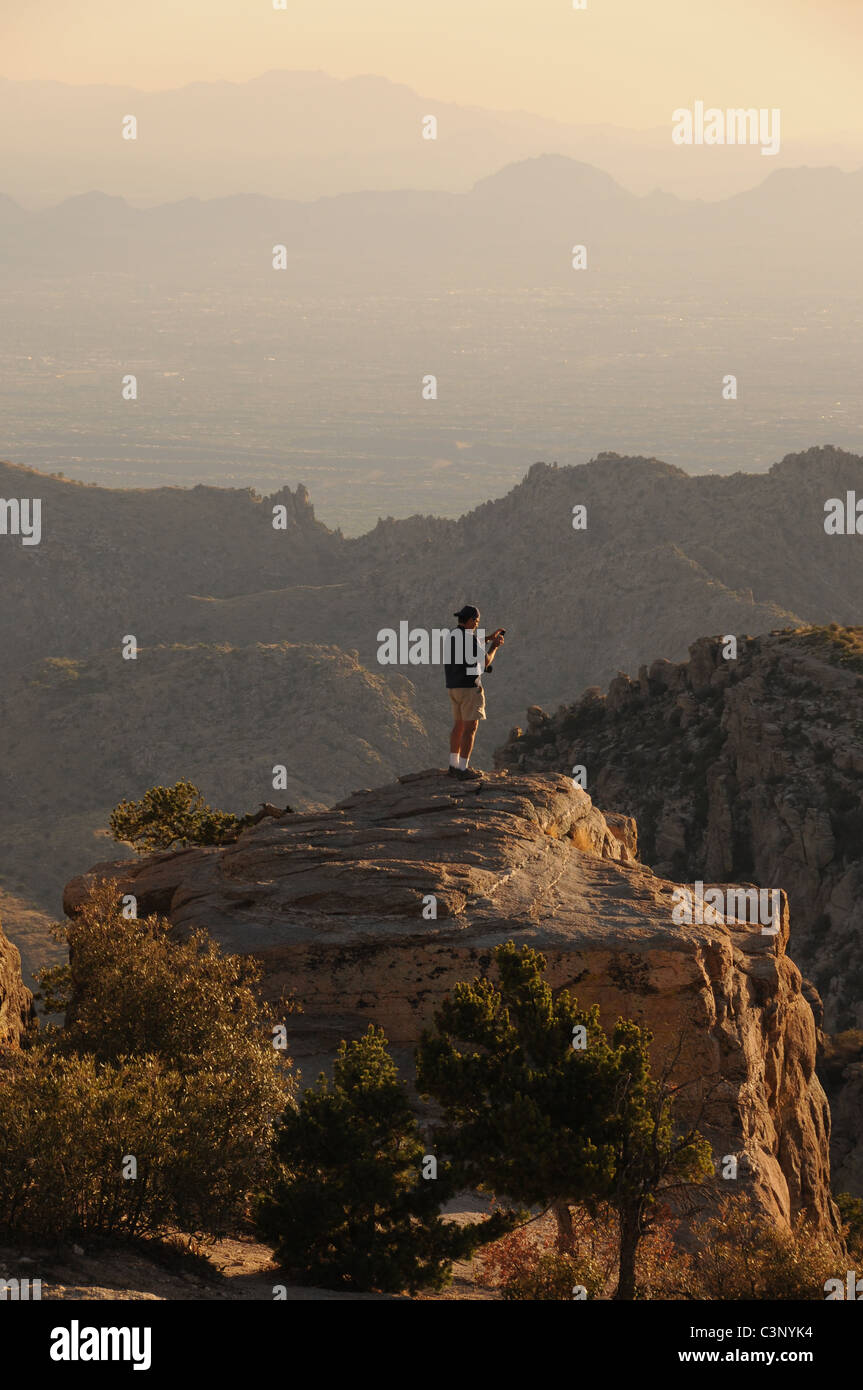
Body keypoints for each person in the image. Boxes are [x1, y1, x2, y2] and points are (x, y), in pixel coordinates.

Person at [444, 604, 505, 781]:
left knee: (458, 726)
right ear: (470, 620)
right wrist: (494, 646)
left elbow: (470, 643)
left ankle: (453, 765)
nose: (477, 624)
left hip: (454, 687)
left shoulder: (453, 635)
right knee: (470, 728)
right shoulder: (469, 639)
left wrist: (488, 638)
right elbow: (485, 661)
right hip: (470, 689)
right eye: (476, 621)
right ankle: (463, 769)